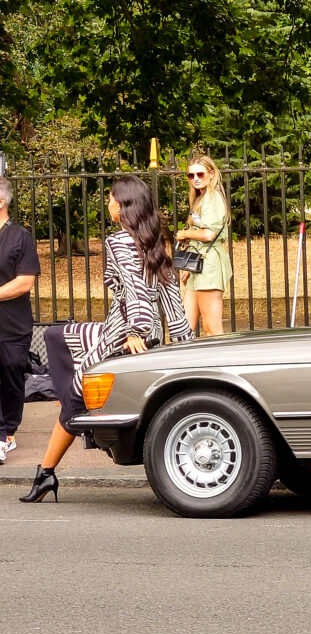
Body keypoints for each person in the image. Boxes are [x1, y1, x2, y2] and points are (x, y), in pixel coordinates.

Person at [19, 175, 193, 503]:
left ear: (125, 204)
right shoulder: (155, 241)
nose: (108, 203)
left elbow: (137, 292)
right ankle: (47, 470)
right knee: (57, 338)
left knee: (72, 396)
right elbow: (171, 297)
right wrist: (185, 341)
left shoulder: (119, 242)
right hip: (138, 333)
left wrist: (134, 332)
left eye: (112, 198)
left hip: (123, 335)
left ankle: (53, 461)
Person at [0, 177, 40, 464]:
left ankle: (8, 430)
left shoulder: (19, 237)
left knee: (12, 374)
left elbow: (24, 282)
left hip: (13, 324)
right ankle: (0, 435)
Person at [176, 154, 231, 335]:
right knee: (184, 329)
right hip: (198, 263)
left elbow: (209, 234)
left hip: (209, 265)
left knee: (211, 328)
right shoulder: (201, 197)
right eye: (191, 176)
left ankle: (222, 362)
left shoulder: (213, 198)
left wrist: (185, 233)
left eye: (200, 174)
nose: (196, 179)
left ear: (211, 174)